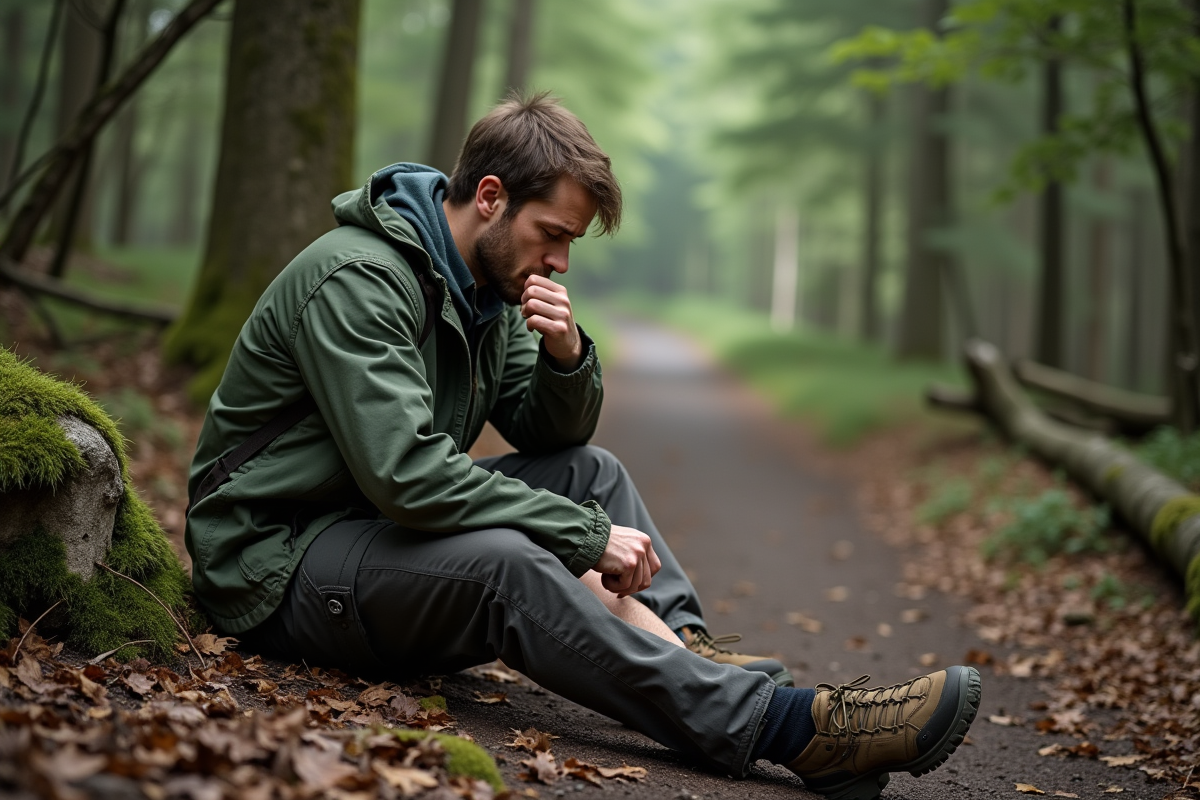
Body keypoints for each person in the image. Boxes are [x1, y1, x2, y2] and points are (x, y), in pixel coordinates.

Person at [184, 92, 980, 799]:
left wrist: (568, 358)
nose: (560, 261)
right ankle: (791, 731)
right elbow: (411, 479)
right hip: (275, 561)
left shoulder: (485, 289)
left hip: (364, 535)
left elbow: (553, 436)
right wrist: (586, 537)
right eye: (552, 234)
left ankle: (695, 659)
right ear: (490, 197)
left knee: (589, 474)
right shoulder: (359, 279)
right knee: (510, 564)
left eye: (570, 243)